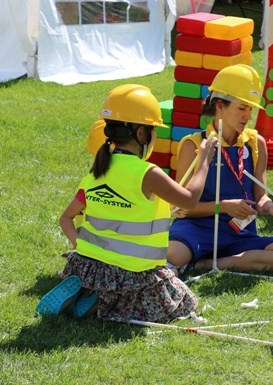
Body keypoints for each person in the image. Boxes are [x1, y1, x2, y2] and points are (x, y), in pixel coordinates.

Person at [36, 85, 217, 322]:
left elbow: (66, 217)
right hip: (132, 271)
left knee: (123, 281)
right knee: (183, 301)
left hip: (87, 265)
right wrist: (203, 160)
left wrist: (80, 247)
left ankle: (88, 291)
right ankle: (97, 304)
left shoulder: (95, 172)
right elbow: (190, 200)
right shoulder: (148, 173)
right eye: (154, 131)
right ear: (141, 133)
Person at [167, 65, 273, 273]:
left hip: (240, 233)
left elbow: (260, 197)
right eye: (241, 108)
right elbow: (180, 209)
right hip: (197, 229)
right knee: (174, 254)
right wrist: (222, 206)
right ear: (220, 106)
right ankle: (200, 259)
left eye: (251, 109)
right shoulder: (193, 145)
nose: (247, 115)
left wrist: (271, 208)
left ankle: (203, 264)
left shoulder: (256, 143)